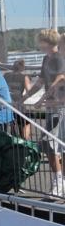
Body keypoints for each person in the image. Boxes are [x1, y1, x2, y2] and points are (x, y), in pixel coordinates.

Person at [22, 29, 65, 197]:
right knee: (54, 146)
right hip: (52, 108)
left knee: (51, 145)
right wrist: (25, 97)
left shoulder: (59, 58)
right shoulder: (46, 59)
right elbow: (40, 82)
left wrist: (42, 99)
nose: (39, 45)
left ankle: (58, 182)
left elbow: (58, 80)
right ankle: (59, 181)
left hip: (60, 108)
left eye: (41, 41)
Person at [4, 59, 32, 139]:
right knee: (25, 123)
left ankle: (14, 142)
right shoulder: (24, 77)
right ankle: (25, 141)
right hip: (18, 103)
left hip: (7, 103)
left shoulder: (6, 75)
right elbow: (29, 92)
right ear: (22, 67)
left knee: (12, 124)